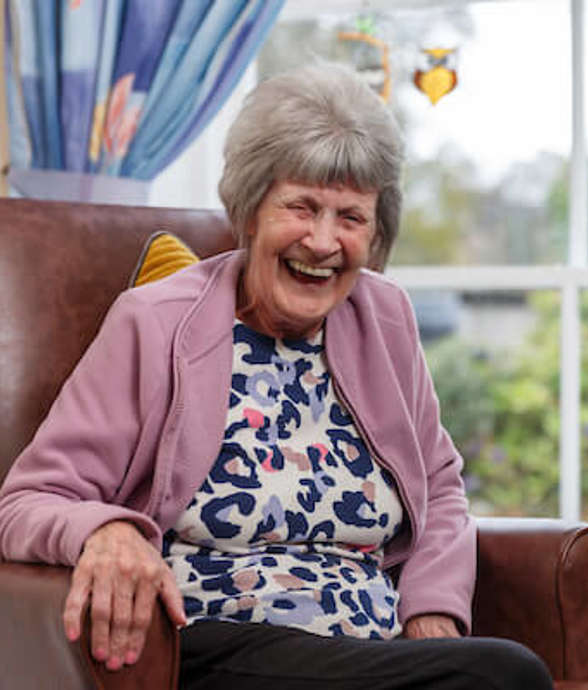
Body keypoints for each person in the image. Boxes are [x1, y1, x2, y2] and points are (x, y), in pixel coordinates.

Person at [0, 63, 553, 690]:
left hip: (372, 652)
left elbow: (441, 489)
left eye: (350, 217)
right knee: (506, 678)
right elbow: (26, 500)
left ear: (375, 234)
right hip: (218, 640)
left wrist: (431, 611)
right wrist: (107, 530)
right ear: (251, 210)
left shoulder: (386, 318)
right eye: (301, 206)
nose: (322, 241)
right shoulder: (155, 323)